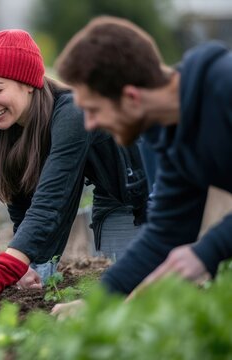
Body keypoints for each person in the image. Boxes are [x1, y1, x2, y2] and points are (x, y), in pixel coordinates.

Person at [0, 29, 150, 309]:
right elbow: (22, 199)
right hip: (114, 198)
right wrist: (24, 265)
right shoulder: (5, 124)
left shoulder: (75, 112)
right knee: (115, 295)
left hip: (153, 188)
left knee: (147, 289)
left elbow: (51, 202)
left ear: (28, 83)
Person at [52, 16, 231, 299]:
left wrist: (207, 251)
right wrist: (98, 303)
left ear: (132, 97)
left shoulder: (224, 87)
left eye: (94, 109)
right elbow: (166, 234)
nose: (88, 124)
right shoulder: (171, 136)